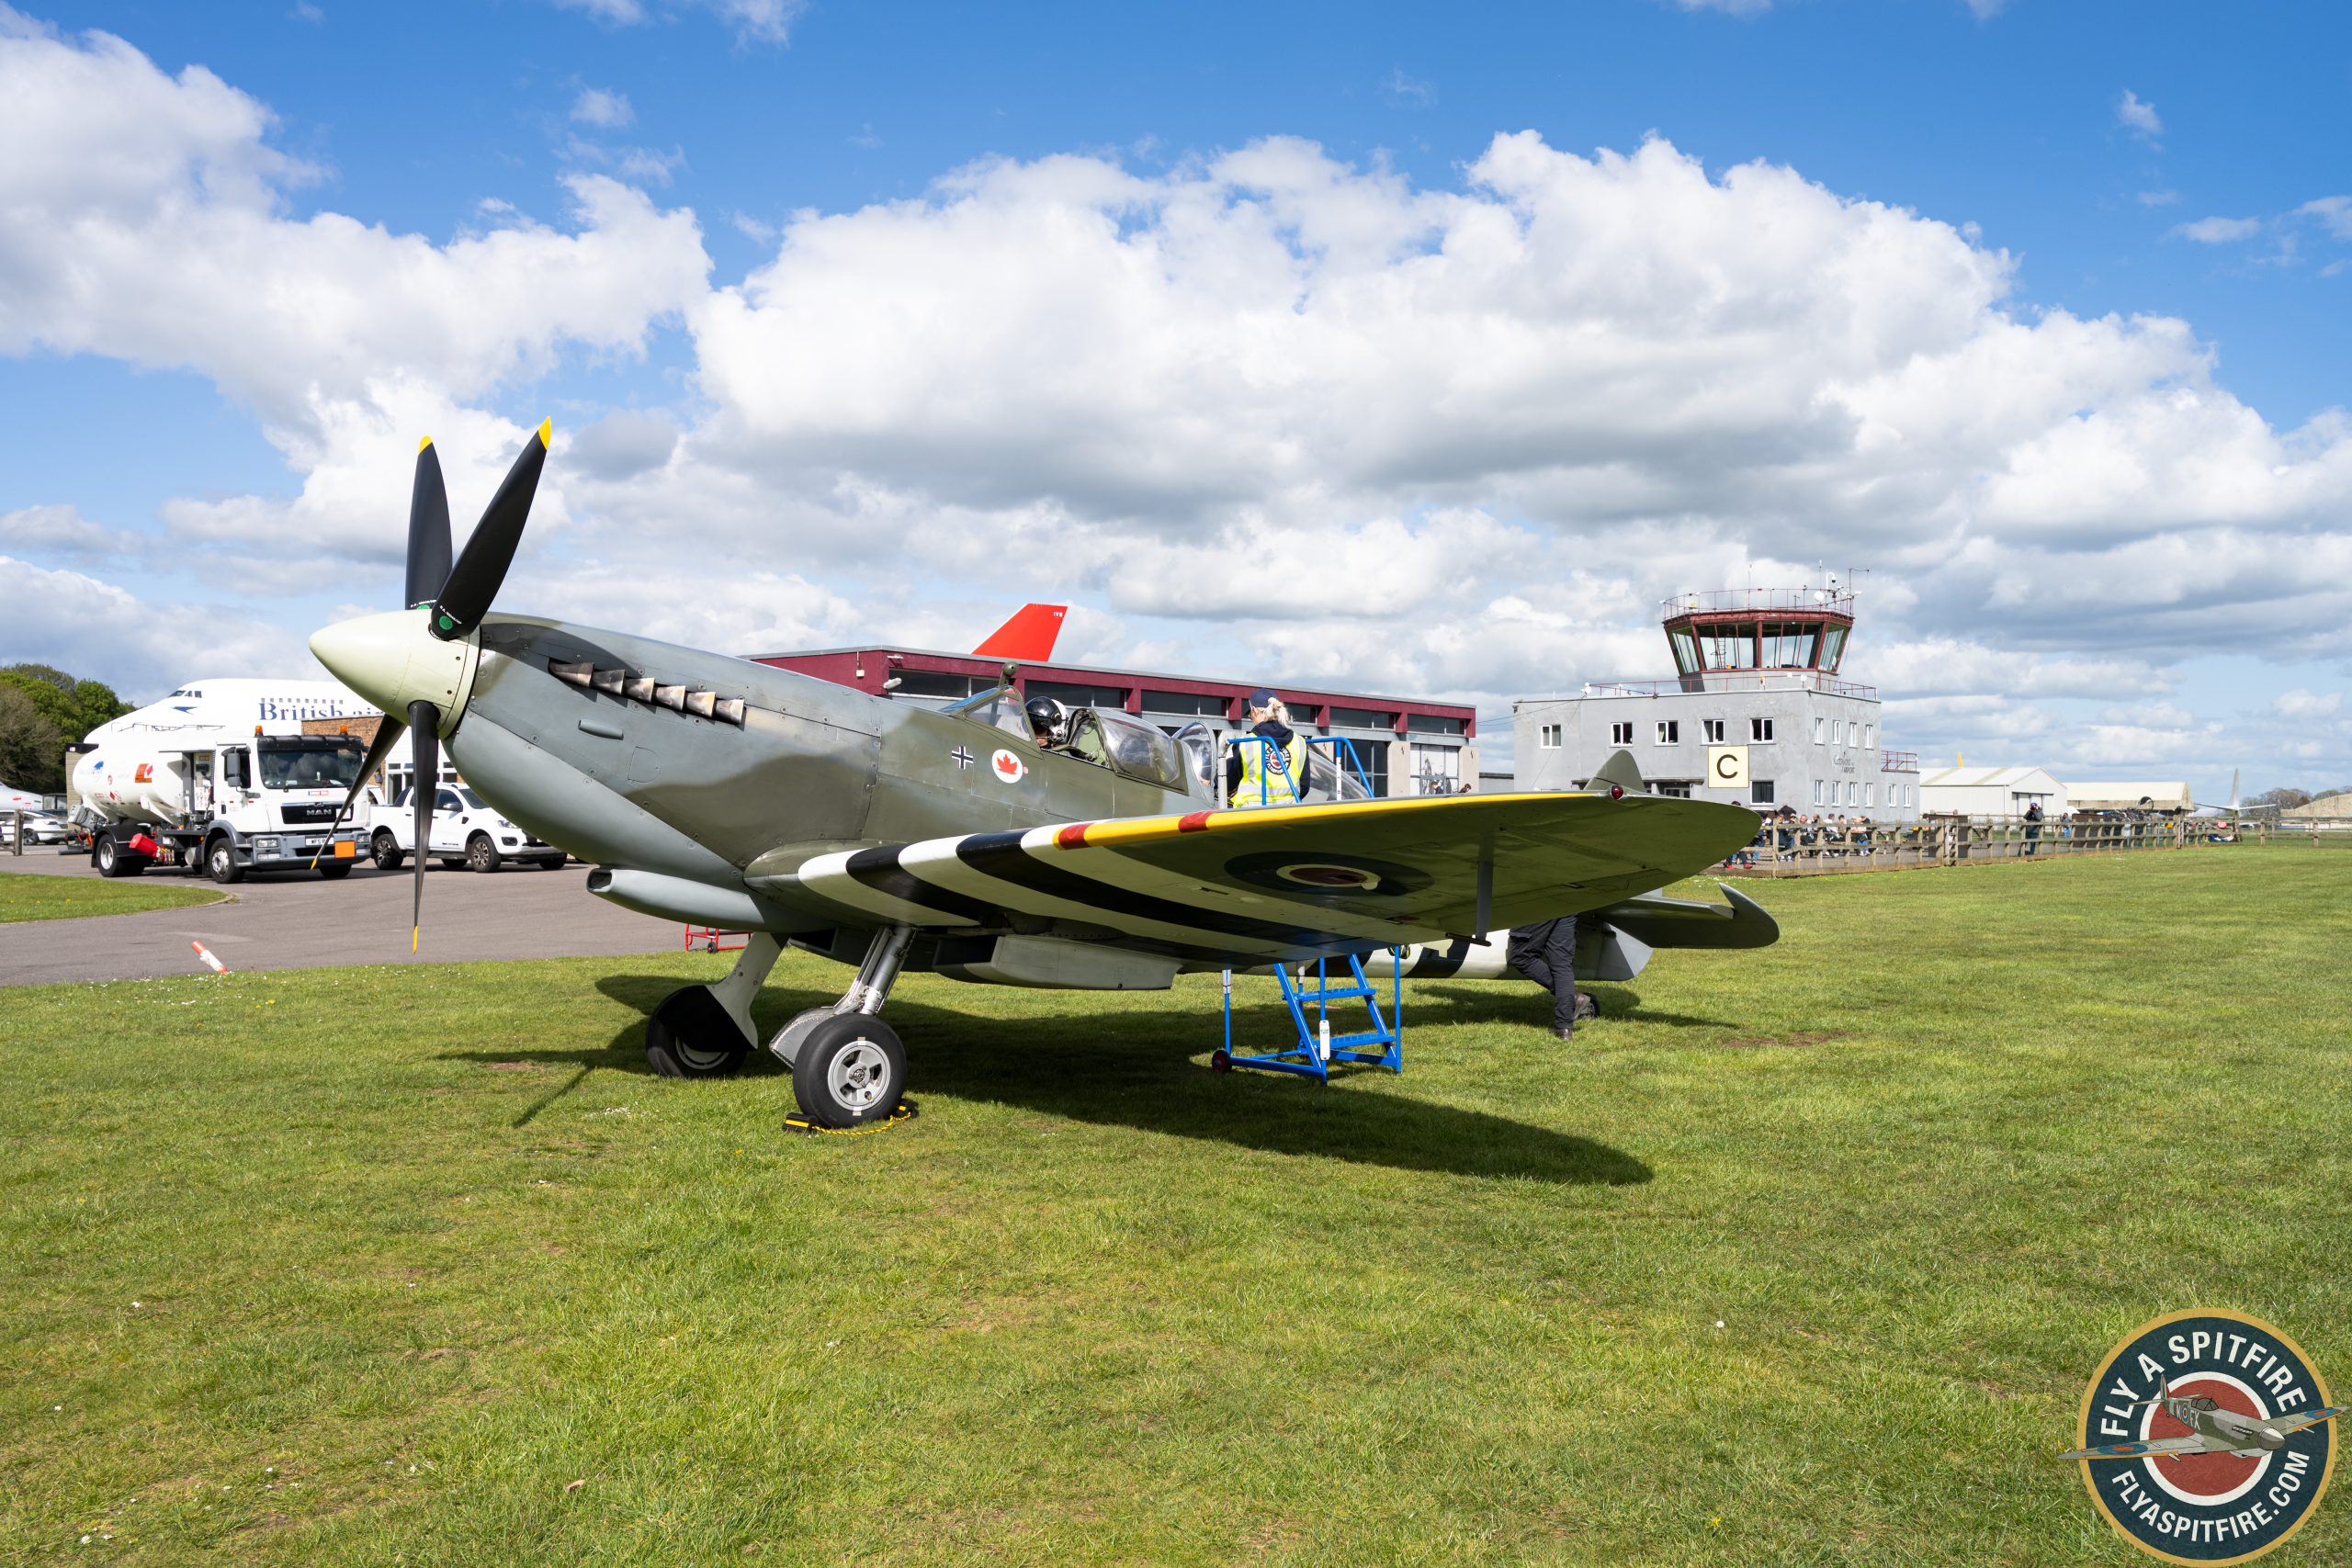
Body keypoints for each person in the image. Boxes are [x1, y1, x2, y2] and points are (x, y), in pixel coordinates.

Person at [1507, 916, 1593, 1040]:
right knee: (1562, 965)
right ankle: (1564, 1029)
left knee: (1521, 957)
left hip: (1542, 902)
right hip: (1570, 902)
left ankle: (1574, 999)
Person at [1226, 688, 1307, 807]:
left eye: (1250, 715)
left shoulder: (1245, 743)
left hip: (1251, 812)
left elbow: (1230, 781)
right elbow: (1304, 786)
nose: (1251, 718)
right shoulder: (1299, 742)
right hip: (1289, 811)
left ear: (1255, 711)